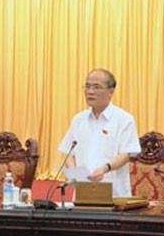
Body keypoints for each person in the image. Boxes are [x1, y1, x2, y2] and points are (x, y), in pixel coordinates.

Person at [58, 68, 141, 197]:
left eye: (97, 87)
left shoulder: (124, 119)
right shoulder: (78, 120)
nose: (90, 91)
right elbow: (69, 152)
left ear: (111, 92)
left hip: (113, 193)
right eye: (87, 86)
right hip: (82, 192)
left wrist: (104, 168)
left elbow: (126, 154)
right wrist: (74, 172)